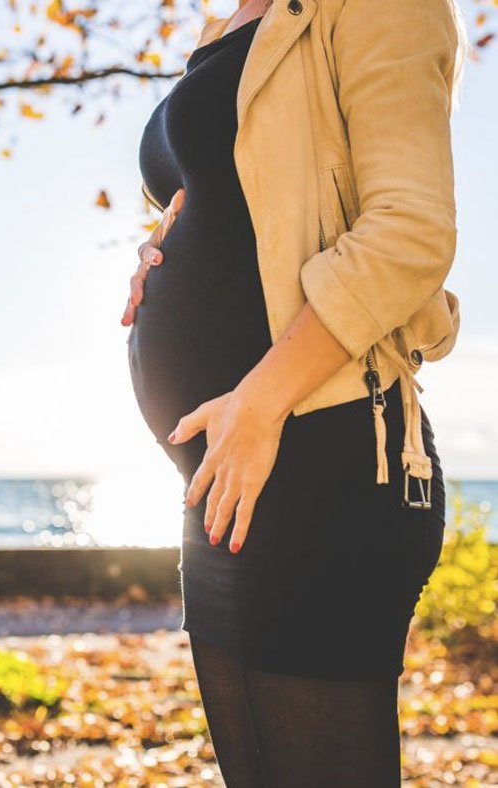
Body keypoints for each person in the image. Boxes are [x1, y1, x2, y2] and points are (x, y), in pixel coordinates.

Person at [122, 0, 468, 785]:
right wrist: (158, 247)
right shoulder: (229, 24)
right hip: (222, 481)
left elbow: (410, 229)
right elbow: (244, 202)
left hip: (324, 455)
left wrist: (259, 401)